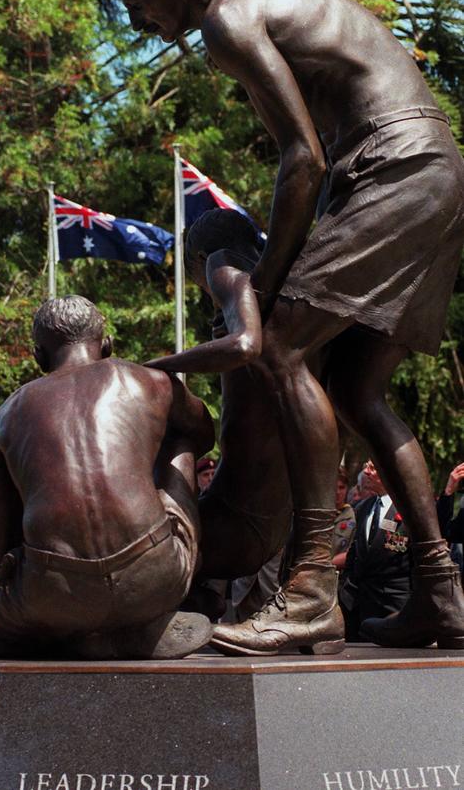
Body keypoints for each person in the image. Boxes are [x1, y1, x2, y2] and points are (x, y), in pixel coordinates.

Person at [110, 0, 464, 652]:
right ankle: (440, 590)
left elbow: (303, 161)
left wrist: (268, 287)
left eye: (139, 3)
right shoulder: (261, 0)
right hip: (434, 170)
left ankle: (308, 590)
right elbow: (312, 156)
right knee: (358, 392)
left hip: (390, 166)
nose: (141, 22)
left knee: (280, 353)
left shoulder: (226, 18)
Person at [0, 295, 215, 660]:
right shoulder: (152, 382)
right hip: (158, 575)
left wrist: (9, 586)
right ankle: (125, 633)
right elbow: (204, 434)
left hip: (55, 594)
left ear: (38, 355)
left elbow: (3, 544)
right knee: (180, 435)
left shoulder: (6, 415)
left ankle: (78, 637)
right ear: (107, 345)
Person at [145, 209, 324, 654]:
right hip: (274, 520)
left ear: (202, 258)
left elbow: (244, 344)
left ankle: (156, 610)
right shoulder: (289, 300)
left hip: (234, 521)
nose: (207, 290)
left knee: (177, 438)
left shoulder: (223, 263)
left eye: (197, 278)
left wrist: (148, 370)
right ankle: (193, 600)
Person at [339, 461, 412, 642]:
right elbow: (354, 554)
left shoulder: (408, 509)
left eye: (372, 467)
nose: (366, 471)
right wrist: (345, 590)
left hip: (393, 606)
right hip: (359, 606)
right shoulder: (363, 508)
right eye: (365, 466)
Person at [332, 466, 356, 571]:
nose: (337, 492)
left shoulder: (353, 517)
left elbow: (351, 552)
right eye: (333, 487)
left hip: (335, 578)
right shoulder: (317, 514)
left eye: (341, 488)